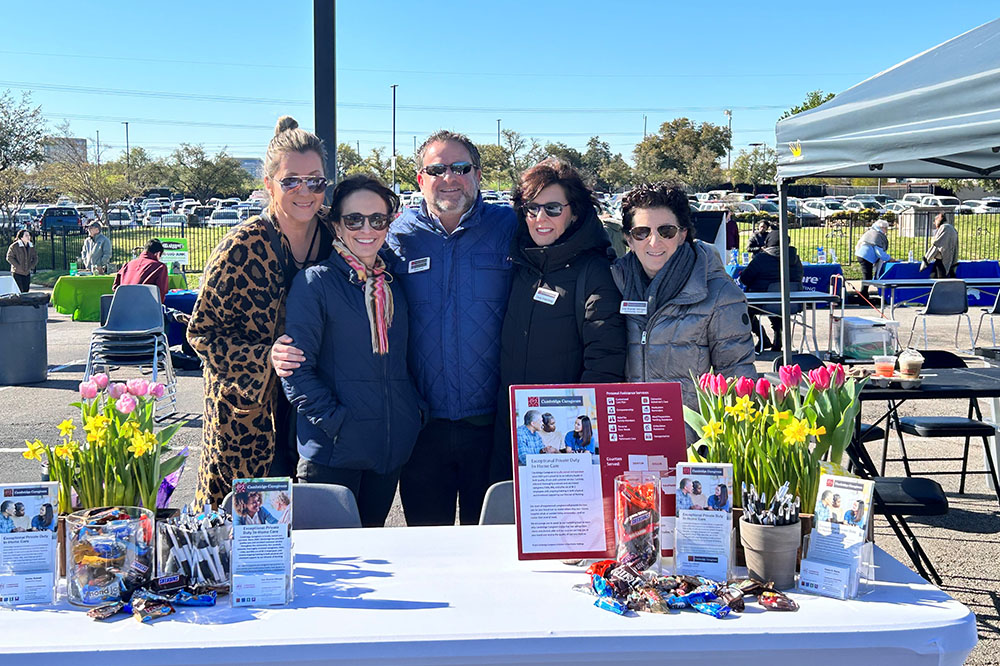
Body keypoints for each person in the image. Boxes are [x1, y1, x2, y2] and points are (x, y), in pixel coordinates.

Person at [187, 116, 335, 509]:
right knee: (248, 537)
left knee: (318, 529)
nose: (305, 191)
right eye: (291, 181)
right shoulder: (240, 248)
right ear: (269, 184)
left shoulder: (336, 239)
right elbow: (201, 332)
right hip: (249, 418)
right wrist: (262, 357)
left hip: (316, 404)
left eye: (315, 180)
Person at [386, 131, 517, 526]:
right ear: (420, 179)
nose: (450, 178)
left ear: (477, 174)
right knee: (430, 550)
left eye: (460, 168)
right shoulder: (396, 237)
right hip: (423, 430)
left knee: (494, 552)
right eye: (437, 169)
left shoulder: (510, 227)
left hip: (492, 427)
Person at [281, 175, 426, 528]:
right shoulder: (316, 283)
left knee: (373, 556)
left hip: (387, 450)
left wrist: (413, 413)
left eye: (377, 219)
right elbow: (296, 370)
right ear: (337, 226)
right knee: (331, 567)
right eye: (354, 219)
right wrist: (337, 423)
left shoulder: (392, 286)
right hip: (333, 453)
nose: (367, 228)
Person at [491, 159, 626, 481]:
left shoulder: (594, 271)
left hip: (561, 443)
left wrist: (575, 436)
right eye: (531, 208)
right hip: (511, 432)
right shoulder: (520, 264)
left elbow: (604, 362)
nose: (540, 219)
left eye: (552, 208)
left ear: (574, 212)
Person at [611, 183, 756, 426]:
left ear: (683, 234)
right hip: (628, 439)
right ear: (628, 239)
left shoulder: (720, 295)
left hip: (693, 447)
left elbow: (738, 379)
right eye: (641, 232)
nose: (654, 241)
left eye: (666, 231)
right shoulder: (612, 286)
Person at [739, 230, 805, 352]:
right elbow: (799, 277)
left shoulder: (761, 259)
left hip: (762, 304)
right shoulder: (795, 259)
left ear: (768, 243)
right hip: (791, 305)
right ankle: (777, 336)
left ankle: (762, 338)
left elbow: (744, 279)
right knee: (779, 301)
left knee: (743, 309)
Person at [855, 219, 891, 299]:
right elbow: (879, 252)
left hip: (862, 255)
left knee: (867, 276)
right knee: (867, 277)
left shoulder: (871, 232)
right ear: (881, 227)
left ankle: (863, 294)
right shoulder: (877, 235)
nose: (886, 230)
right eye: (885, 228)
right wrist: (889, 258)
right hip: (866, 256)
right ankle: (863, 296)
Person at [926, 212, 959, 278]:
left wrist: (927, 259)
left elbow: (936, 243)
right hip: (950, 259)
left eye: (935, 222)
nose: (934, 224)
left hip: (943, 260)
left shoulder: (944, 228)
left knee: (941, 280)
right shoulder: (951, 228)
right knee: (933, 277)